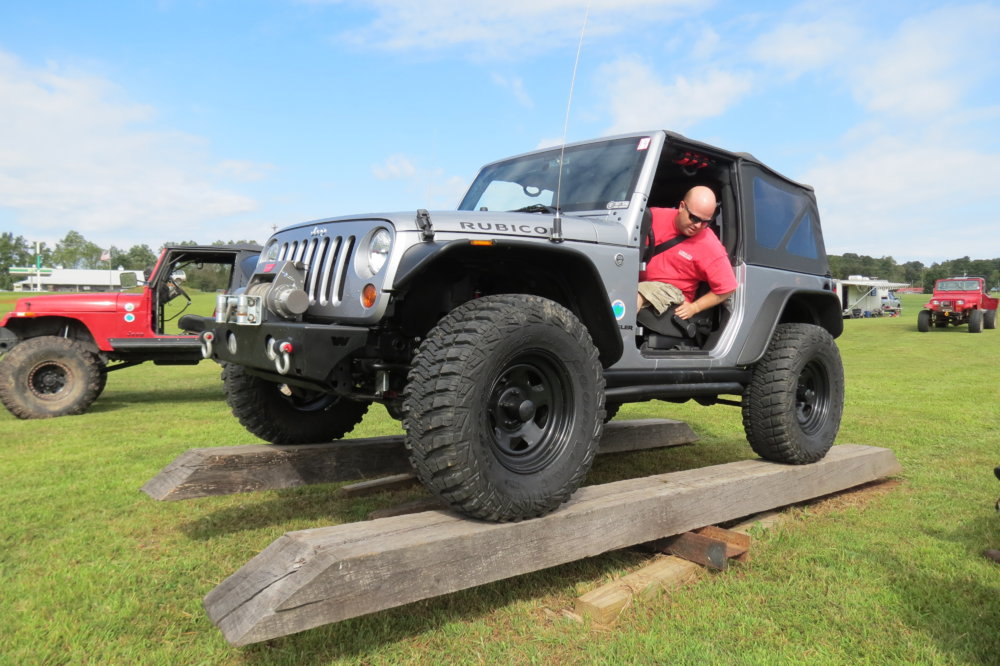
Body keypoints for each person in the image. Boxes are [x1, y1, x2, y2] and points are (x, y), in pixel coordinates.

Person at [636, 185, 737, 333]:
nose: (697, 225)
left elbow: (727, 288)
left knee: (633, 296)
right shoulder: (652, 216)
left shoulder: (710, 246)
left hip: (673, 292)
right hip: (636, 278)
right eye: (694, 218)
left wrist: (694, 307)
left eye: (705, 222)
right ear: (682, 207)